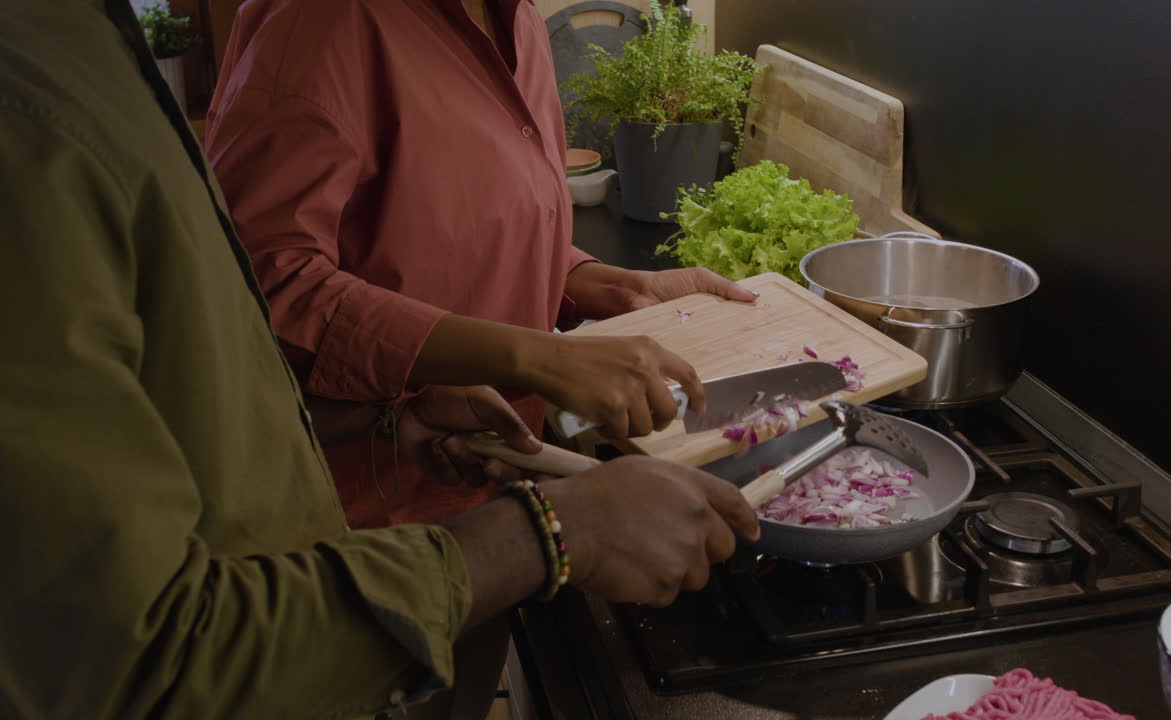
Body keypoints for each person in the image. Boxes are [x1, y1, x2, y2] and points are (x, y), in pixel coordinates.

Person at [0, 2, 761, 719]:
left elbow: (470, 215)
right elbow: (270, 276)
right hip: (353, 537)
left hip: (478, 475)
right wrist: (529, 364)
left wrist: (593, 282)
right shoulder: (319, 23)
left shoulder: (518, 22)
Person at [203, 0, 758, 530]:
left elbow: (462, 224)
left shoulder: (517, 21)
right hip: (359, 523)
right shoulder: (319, 24)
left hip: (487, 487)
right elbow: (261, 283)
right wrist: (540, 358)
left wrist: (607, 285)